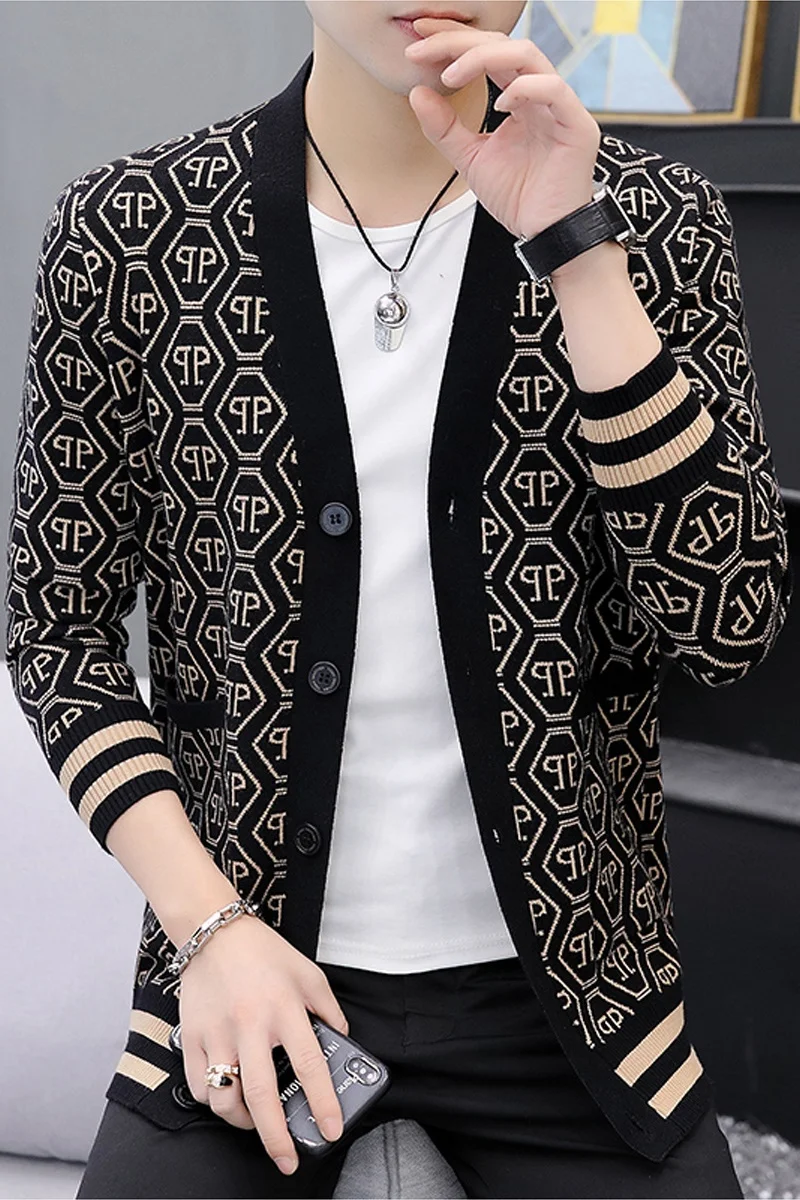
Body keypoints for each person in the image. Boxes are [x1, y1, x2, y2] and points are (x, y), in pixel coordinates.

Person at [5, 2, 791, 1197]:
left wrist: (576, 248)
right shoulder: (129, 232)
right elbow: (59, 631)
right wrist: (209, 930)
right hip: (246, 973)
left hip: (576, 1006)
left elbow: (724, 624)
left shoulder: (653, 221)